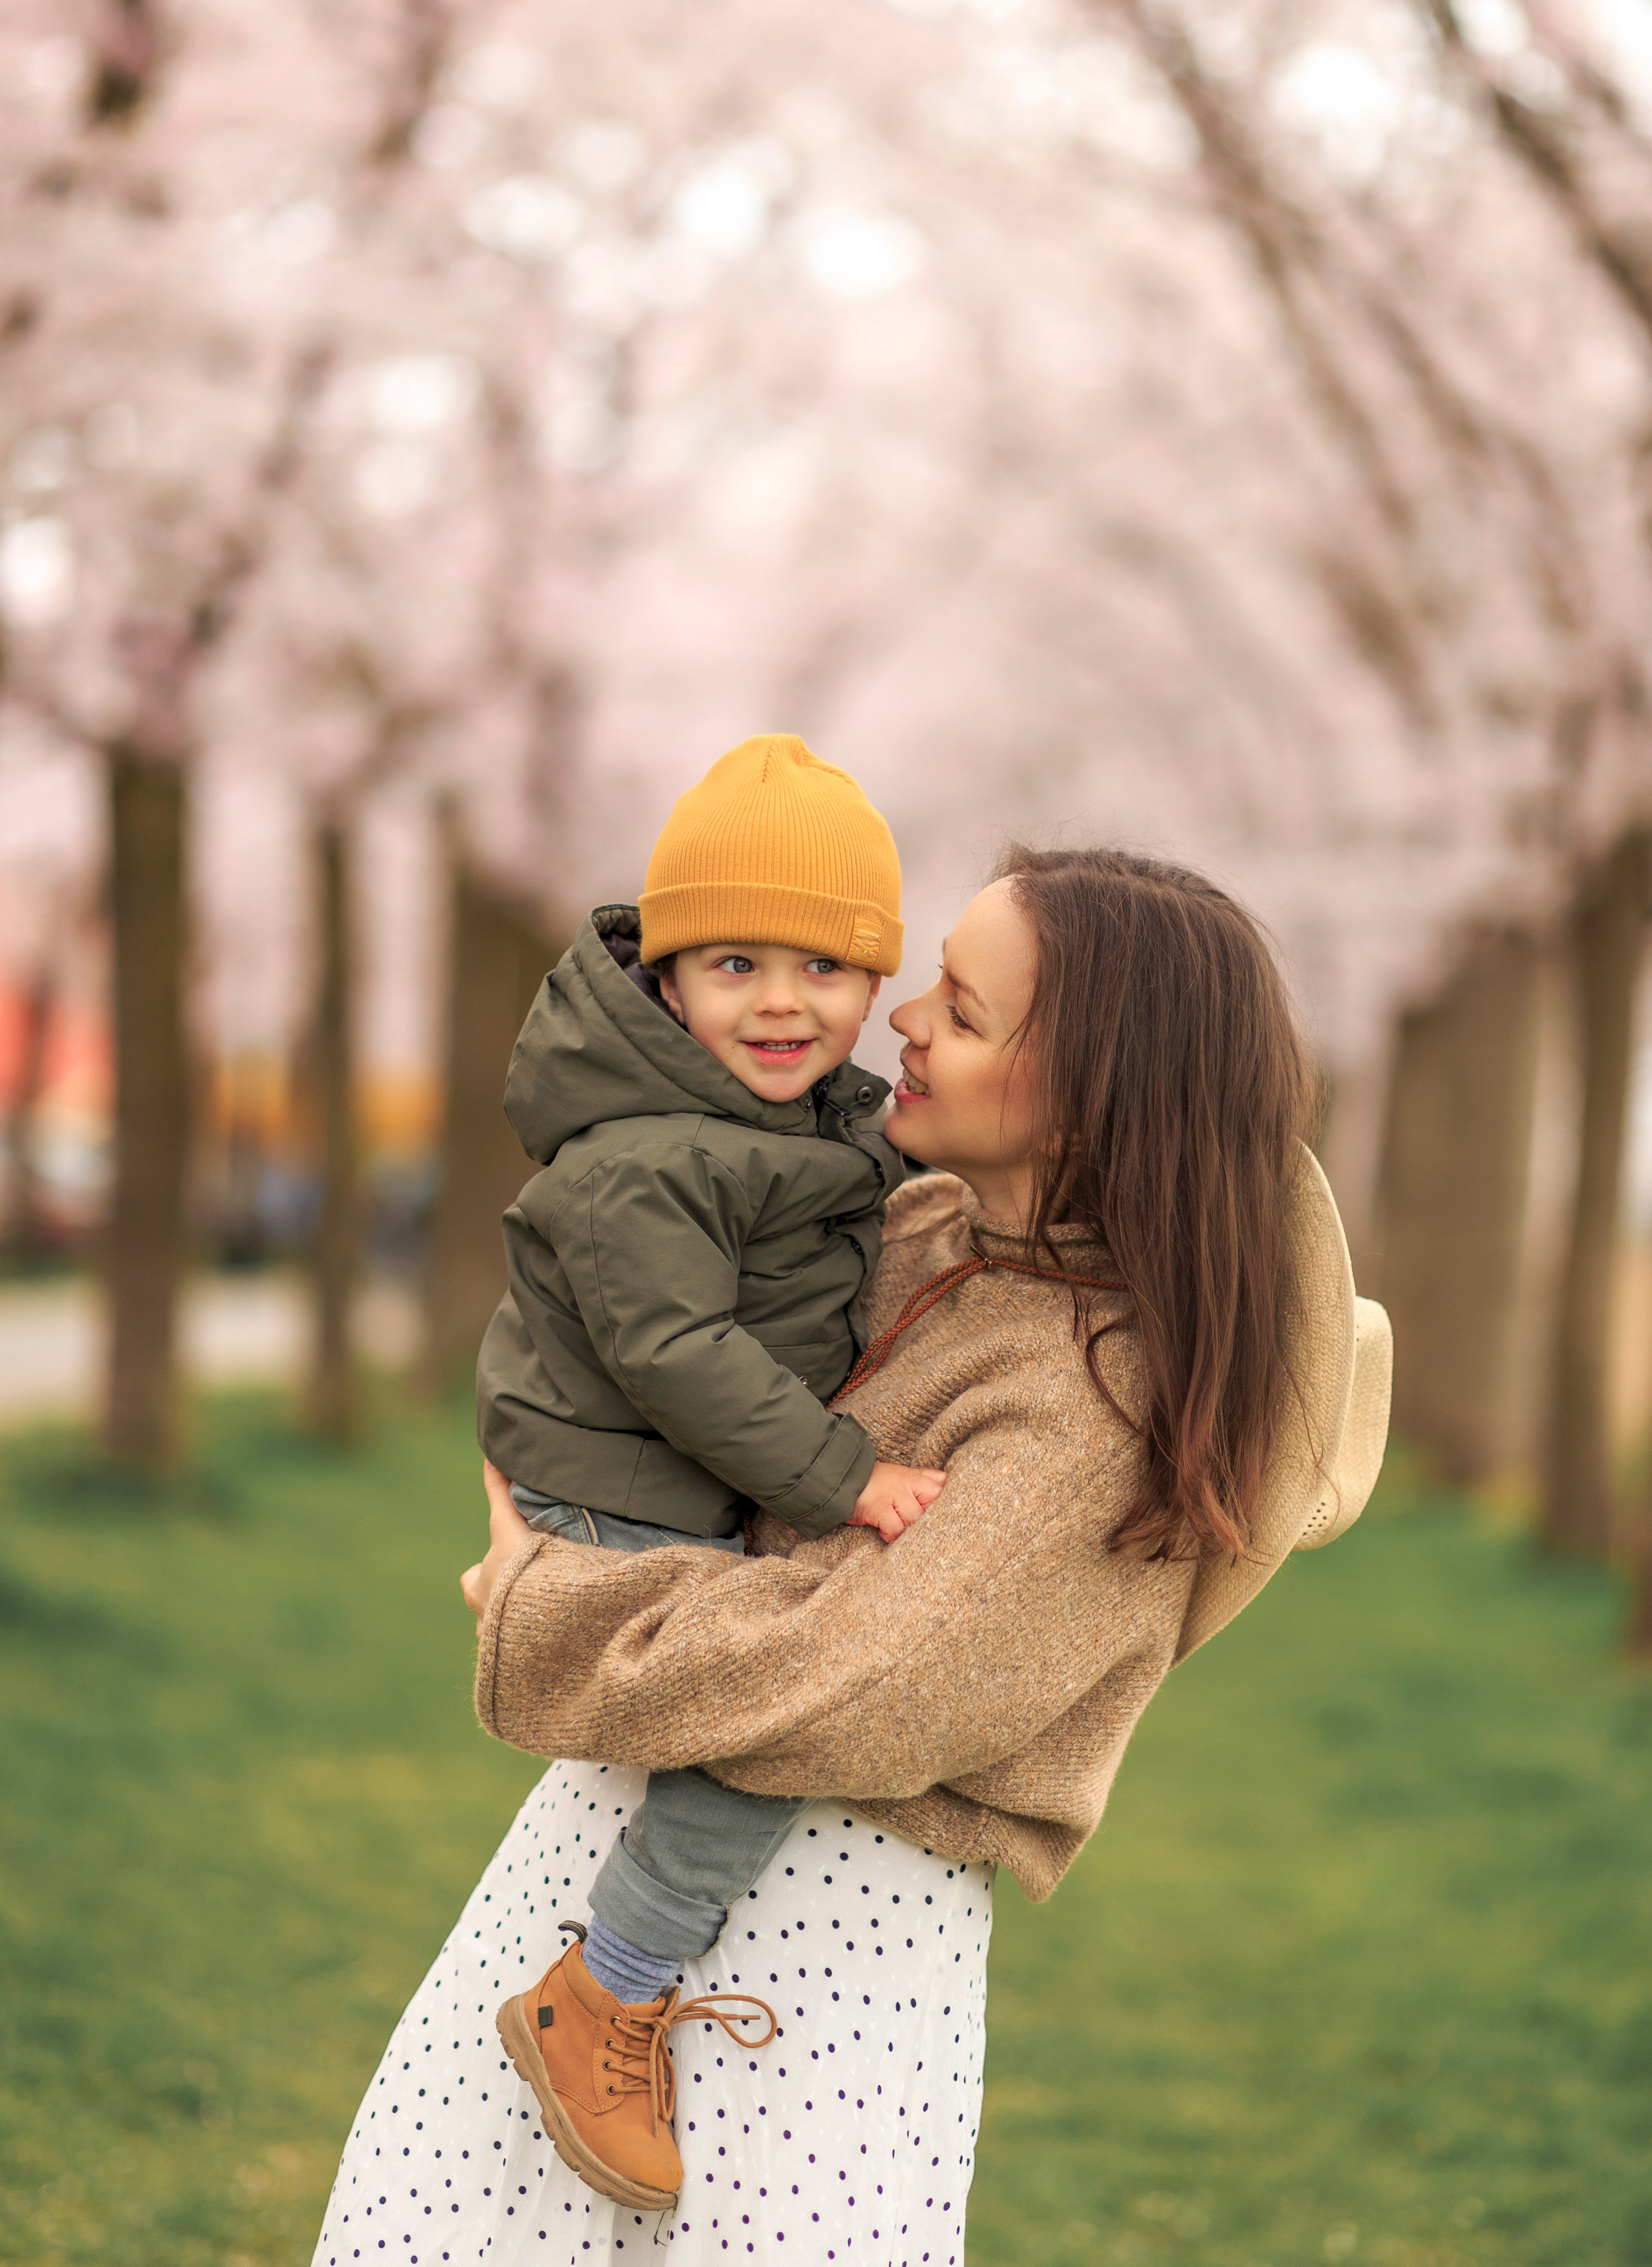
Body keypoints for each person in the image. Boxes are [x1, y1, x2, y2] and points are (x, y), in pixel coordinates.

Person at [313, 846, 1390, 2267]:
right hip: (608, 1855)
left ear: (1094, 1091)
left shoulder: (1098, 1392)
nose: (904, 1022)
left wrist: (548, 1600)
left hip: (817, 1946)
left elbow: (850, 1682)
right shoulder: (908, 1218)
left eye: (963, 1004)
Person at [473, 732, 947, 2209]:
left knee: (783, 1692)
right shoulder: (644, 1156)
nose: (783, 1003)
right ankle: (606, 1989)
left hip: (665, 1484)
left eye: (822, 967)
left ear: (874, 981)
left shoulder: (791, 1124)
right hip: (619, 1494)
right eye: (732, 963)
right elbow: (675, 1350)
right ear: (666, 979)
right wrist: (838, 1475)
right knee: (774, 1711)